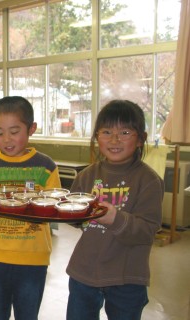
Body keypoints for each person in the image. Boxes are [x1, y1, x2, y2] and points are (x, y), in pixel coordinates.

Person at [66, 100, 164, 320]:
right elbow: (74, 218)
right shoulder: (86, 176)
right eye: (107, 132)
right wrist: (67, 212)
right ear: (96, 137)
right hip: (84, 272)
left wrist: (114, 218)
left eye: (125, 132)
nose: (114, 140)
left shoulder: (148, 180)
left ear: (141, 139)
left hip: (127, 277)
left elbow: (147, 230)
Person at [0, 96, 61, 320]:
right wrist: (1, 205)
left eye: (14, 131)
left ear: (31, 128)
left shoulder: (46, 166)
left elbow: (53, 206)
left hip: (32, 258)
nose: (6, 139)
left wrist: (17, 205)